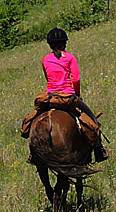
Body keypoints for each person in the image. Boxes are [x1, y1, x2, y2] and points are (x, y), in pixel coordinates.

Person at [41, 28, 107, 162]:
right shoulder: (70, 58)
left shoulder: (45, 59)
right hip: (68, 97)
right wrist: (77, 95)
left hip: (52, 97)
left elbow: (48, 78)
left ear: (49, 44)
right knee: (93, 121)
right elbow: (76, 79)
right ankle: (99, 150)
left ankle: (34, 154)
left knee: (32, 118)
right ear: (65, 43)